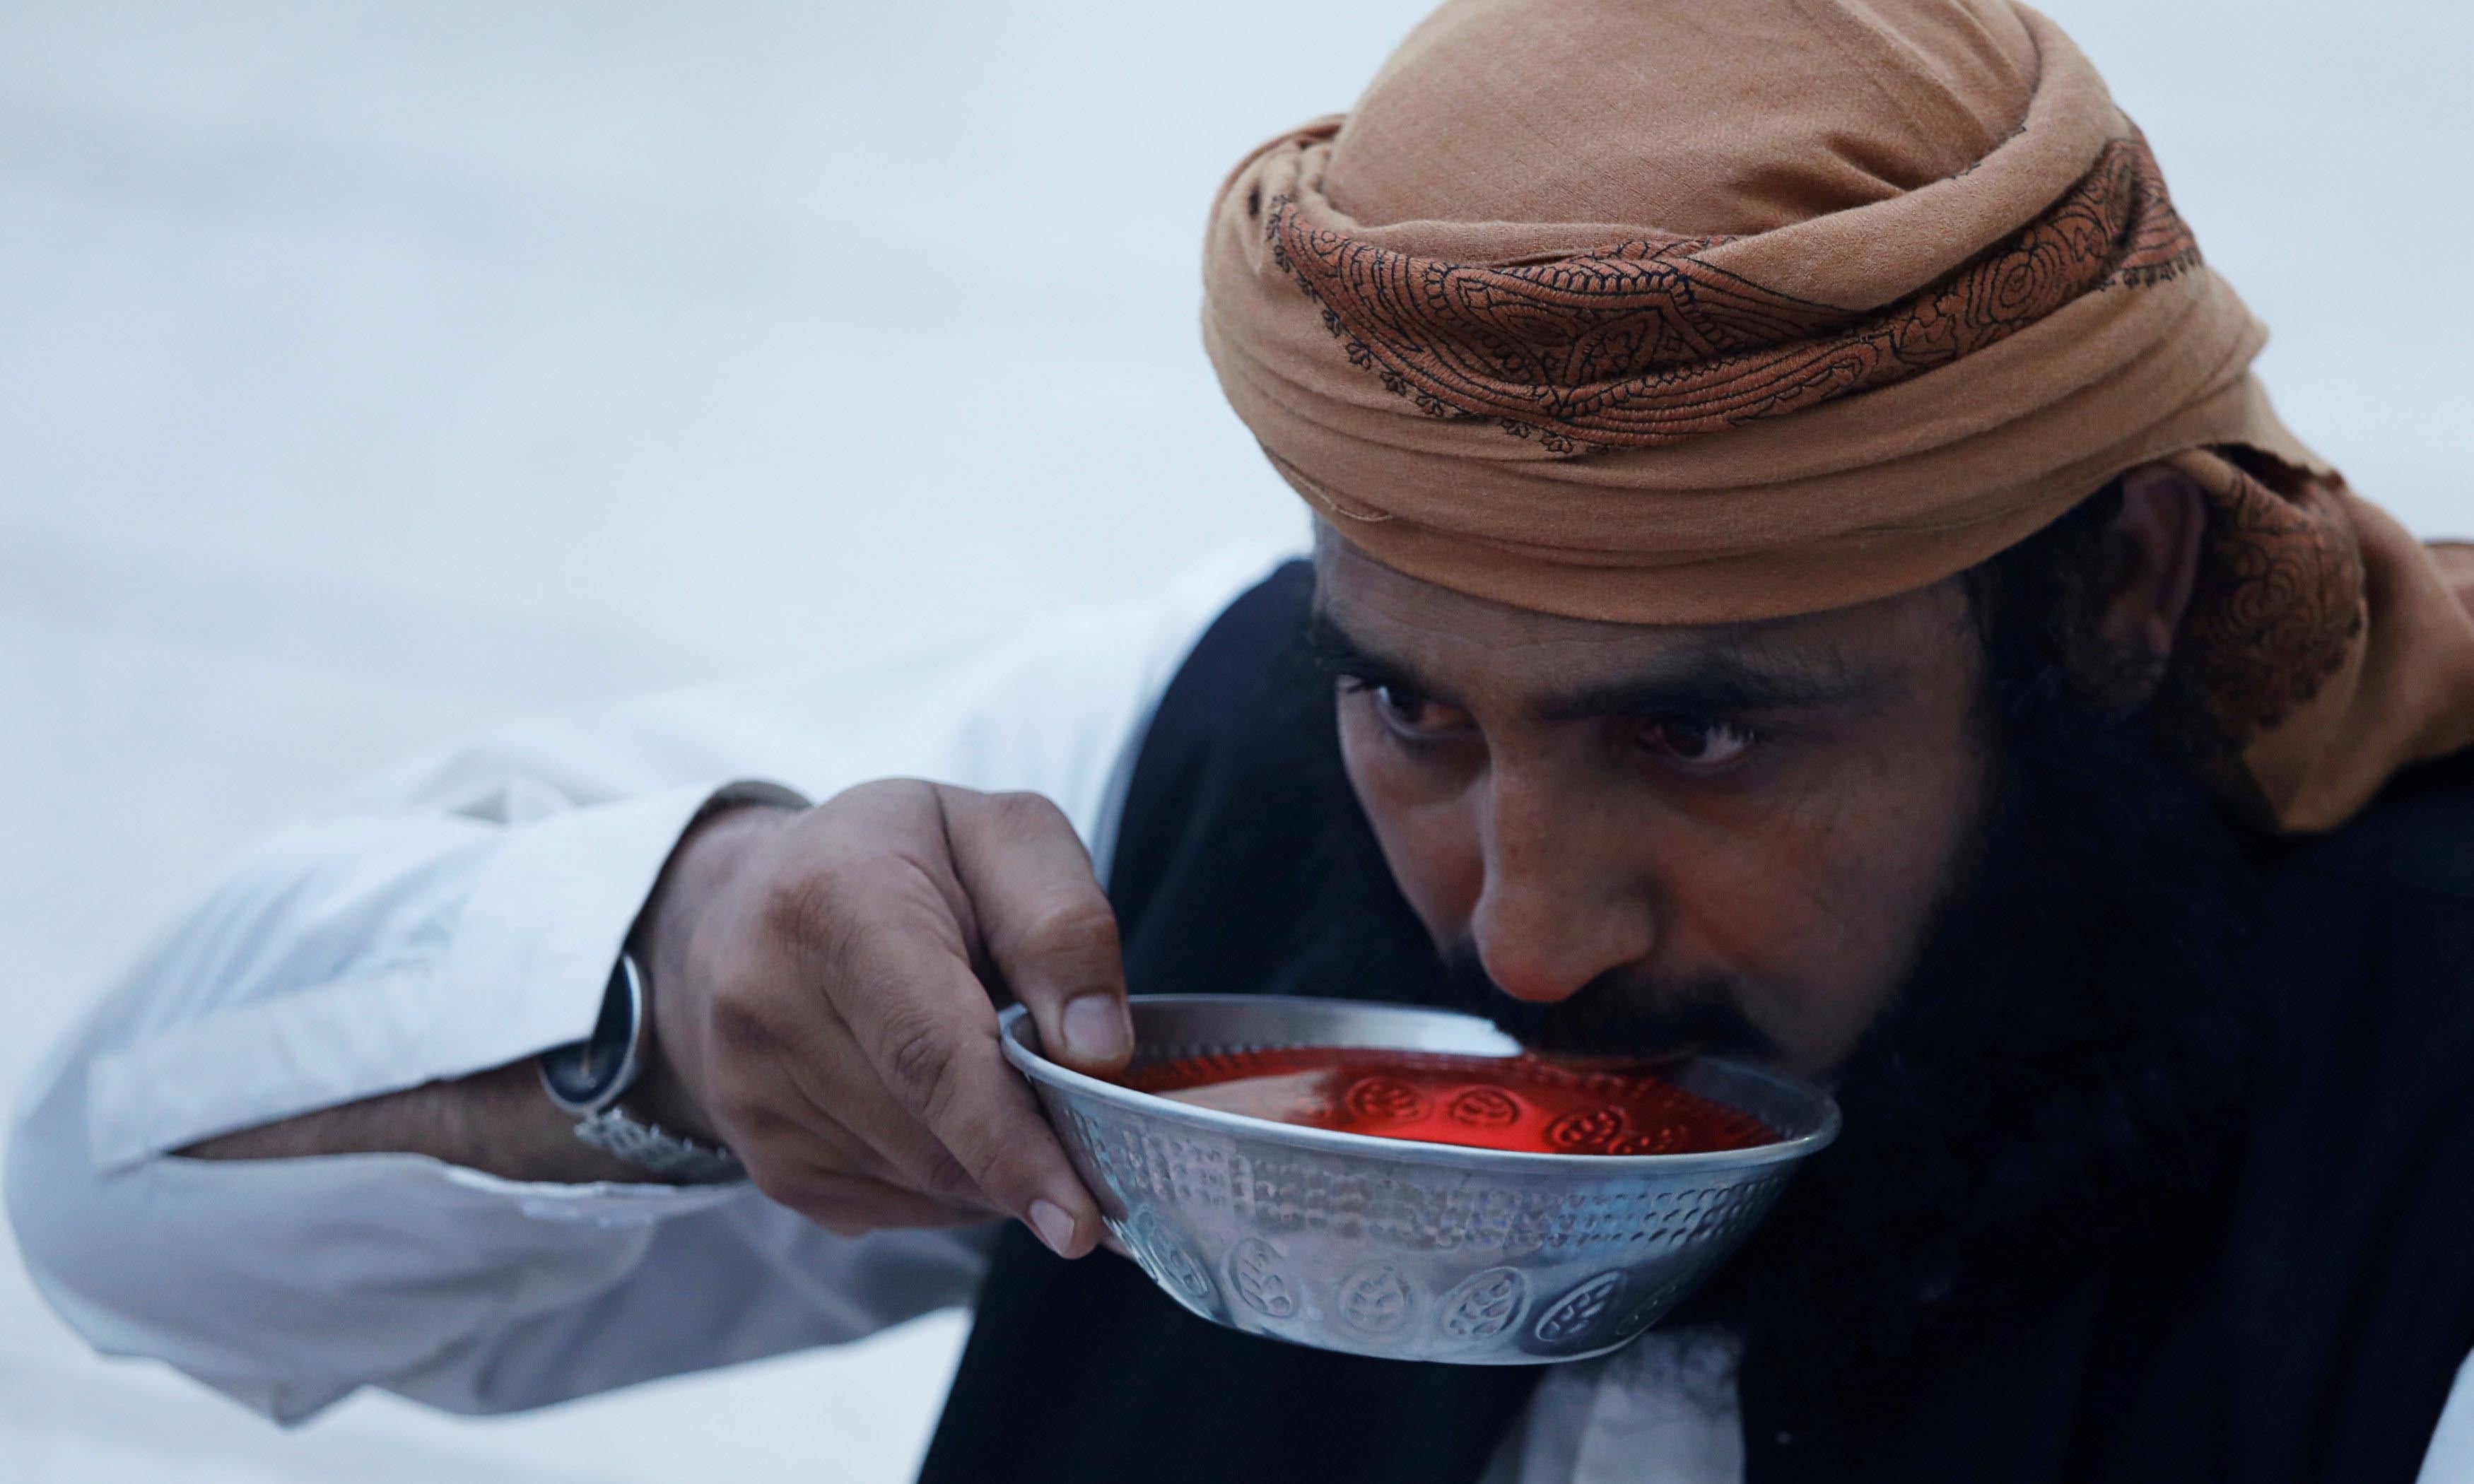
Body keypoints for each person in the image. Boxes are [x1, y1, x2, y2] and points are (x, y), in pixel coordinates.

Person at [11, 0, 2474, 1479]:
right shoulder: (1184, 767)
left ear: (2119, 595)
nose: (1516, 922)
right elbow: (127, 1221)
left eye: (1704, 732)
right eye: (1412, 700)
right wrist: (680, 983)